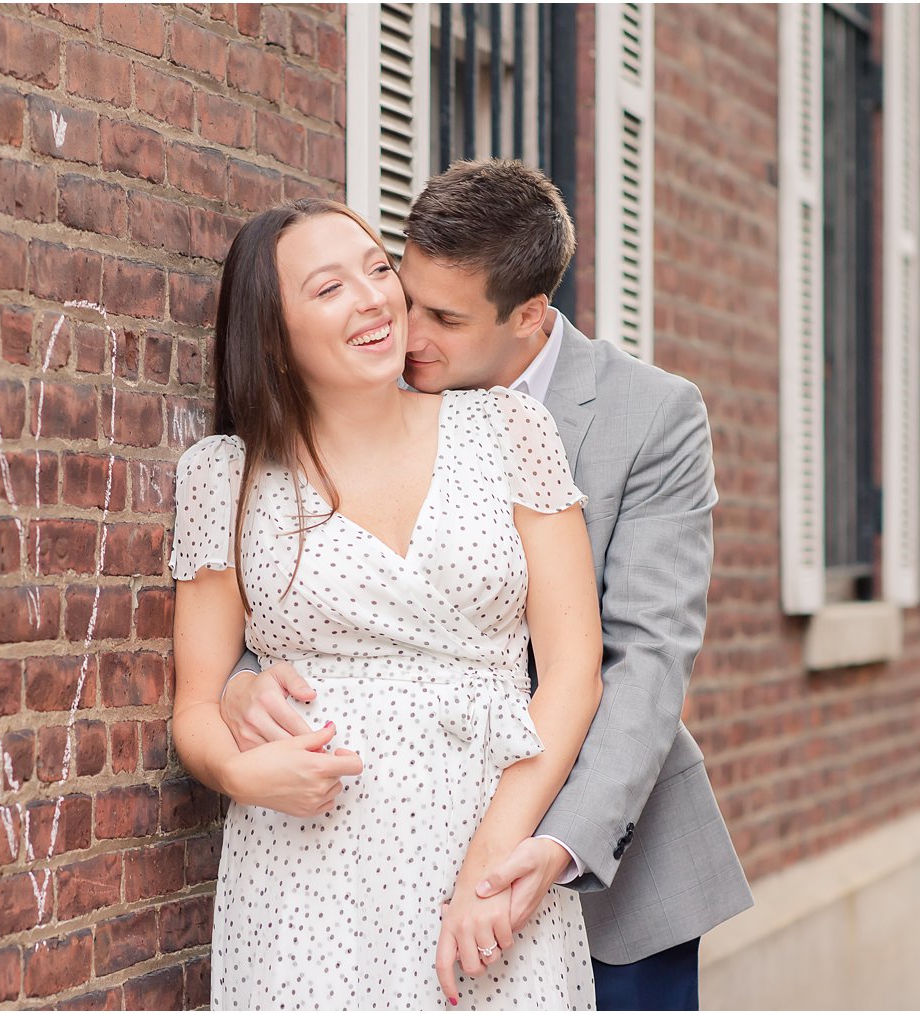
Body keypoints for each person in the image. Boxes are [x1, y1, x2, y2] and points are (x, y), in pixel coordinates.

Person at [220, 160, 753, 1011]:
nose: (406, 328)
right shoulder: (371, 378)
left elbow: (647, 659)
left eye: (444, 317)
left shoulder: (651, 416)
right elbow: (322, 583)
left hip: (599, 854)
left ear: (529, 318)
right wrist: (242, 683)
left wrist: (556, 845)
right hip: (398, 865)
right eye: (405, 288)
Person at [170, 196, 604, 1010]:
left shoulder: (509, 429)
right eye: (329, 288)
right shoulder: (222, 477)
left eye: (379, 270)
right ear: (273, 331)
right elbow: (194, 705)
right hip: (309, 867)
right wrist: (241, 770)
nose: (374, 297)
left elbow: (574, 675)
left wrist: (492, 860)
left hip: (490, 835)